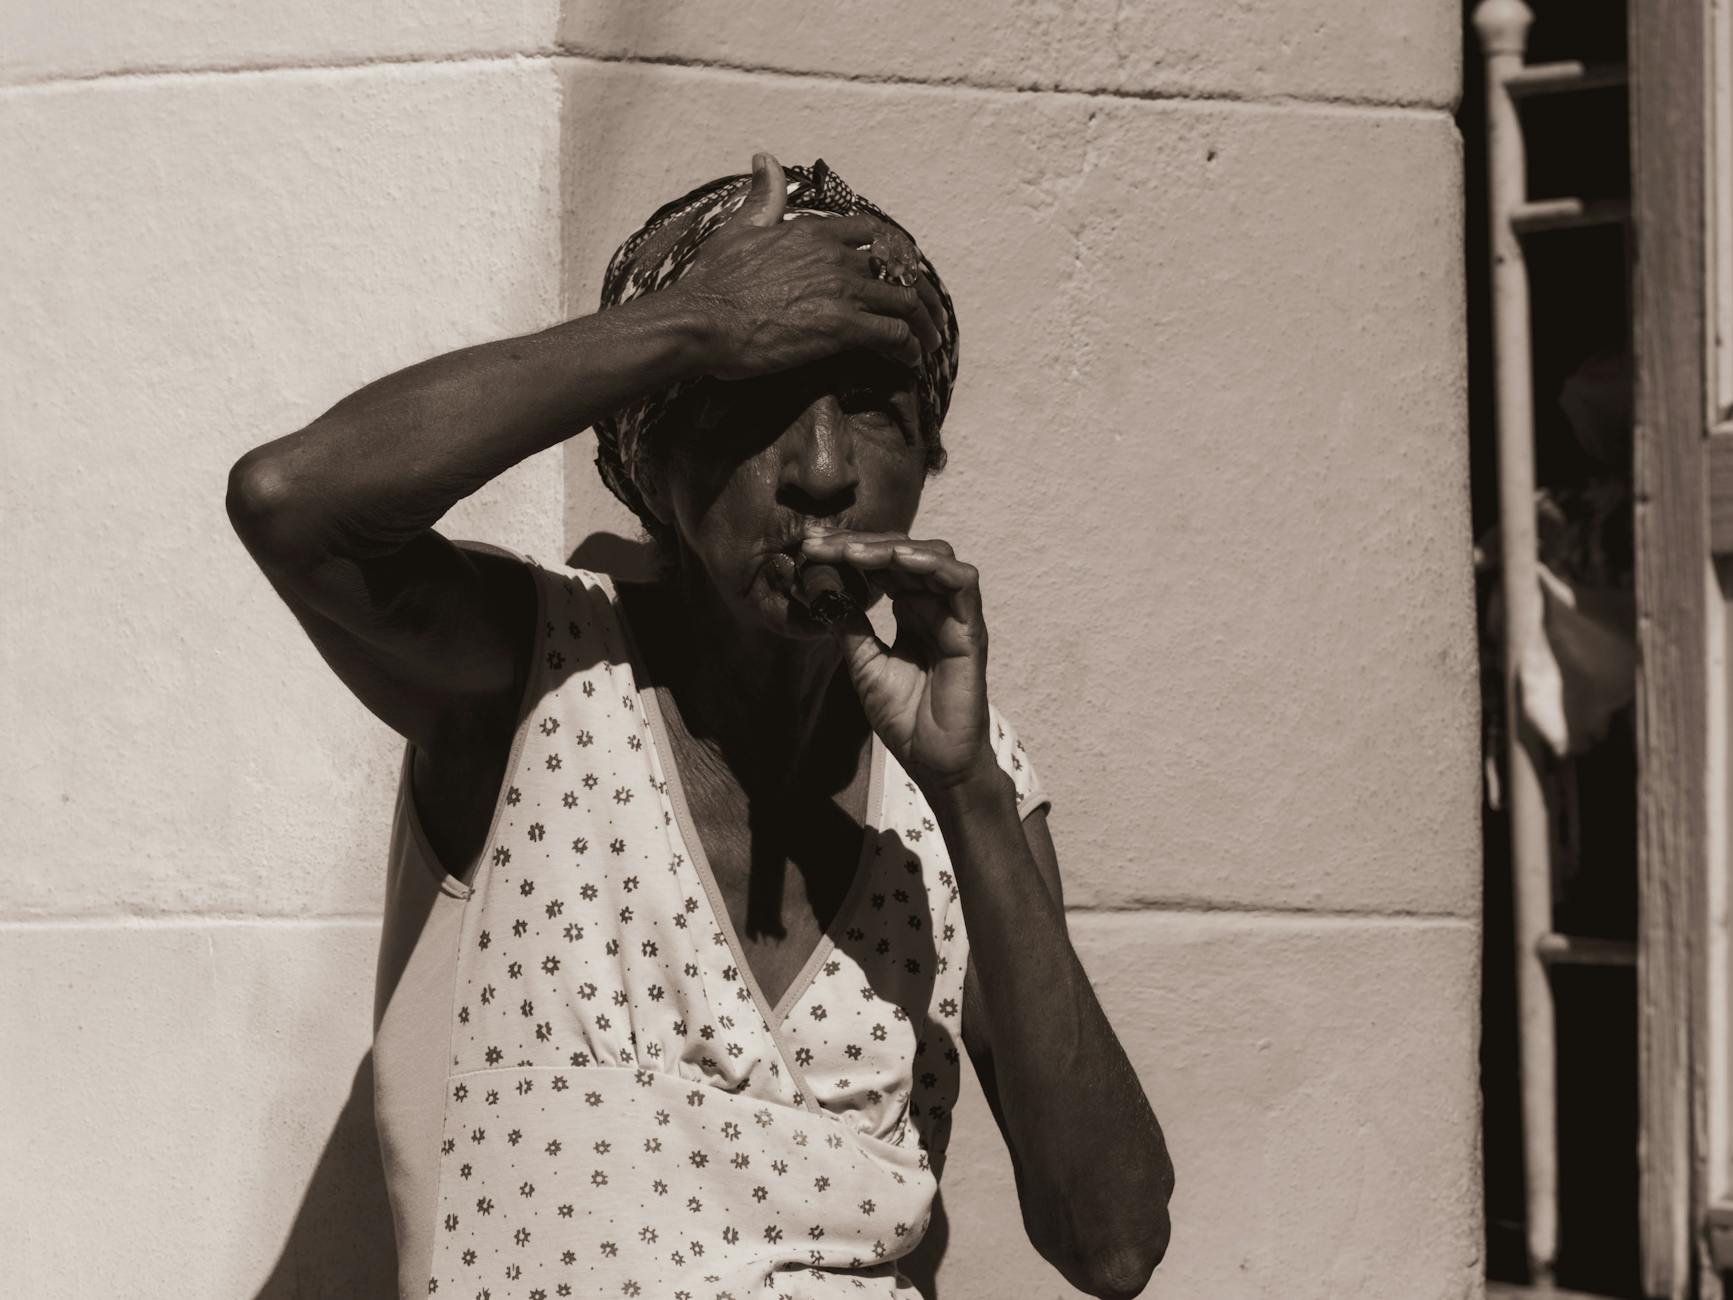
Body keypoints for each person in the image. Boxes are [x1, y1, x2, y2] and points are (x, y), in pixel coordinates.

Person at [227, 152, 1173, 1300]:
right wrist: (696, 323)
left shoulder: (962, 778)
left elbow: (1111, 1242)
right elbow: (291, 502)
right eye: (754, 405)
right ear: (653, 462)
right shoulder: (532, 678)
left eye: (870, 408)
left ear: (927, 457)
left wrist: (969, 794)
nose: (821, 470)